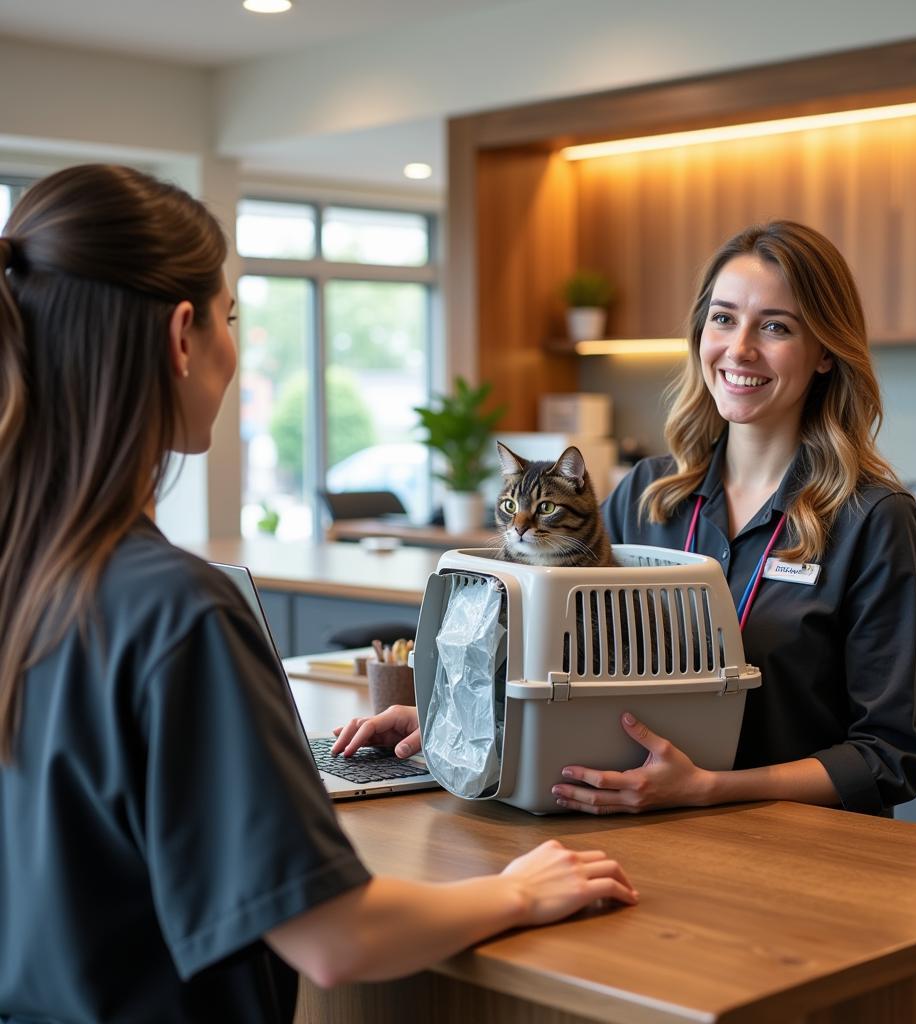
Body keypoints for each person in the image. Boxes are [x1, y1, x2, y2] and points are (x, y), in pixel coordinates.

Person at [0, 164, 636, 1024]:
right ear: (183, 337)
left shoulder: (30, 576)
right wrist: (518, 891)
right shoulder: (178, 614)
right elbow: (337, 936)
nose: (235, 345)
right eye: (233, 318)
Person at [336, 221, 916, 821]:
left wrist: (706, 787)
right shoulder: (649, 496)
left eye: (776, 326)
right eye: (723, 318)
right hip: (640, 834)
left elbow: (888, 756)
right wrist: (447, 719)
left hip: (802, 852)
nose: (740, 348)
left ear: (827, 350)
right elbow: (577, 675)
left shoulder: (875, 521)